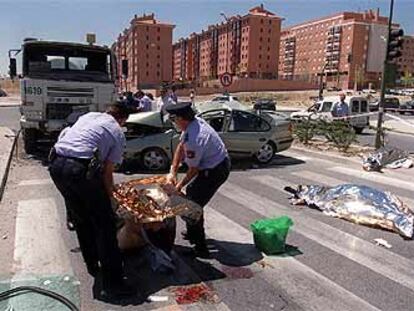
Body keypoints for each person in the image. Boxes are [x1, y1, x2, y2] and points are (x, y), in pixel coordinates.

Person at [49, 103, 136, 300]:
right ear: (122, 119)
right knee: (105, 227)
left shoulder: (89, 117)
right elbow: (107, 173)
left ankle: (92, 263)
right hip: (80, 171)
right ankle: (113, 285)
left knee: (82, 219)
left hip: (56, 166)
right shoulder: (116, 131)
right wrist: (111, 199)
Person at [165, 102, 230, 257]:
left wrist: (178, 186)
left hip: (215, 171)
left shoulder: (196, 138)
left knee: (192, 207)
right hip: (210, 165)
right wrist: (172, 171)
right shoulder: (191, 125)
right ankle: (192, 231)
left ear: (182, 119)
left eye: (173, 119)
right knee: (192, 194)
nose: (173, 122)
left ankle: (201, 248)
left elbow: (194, 170)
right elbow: (181, 146)